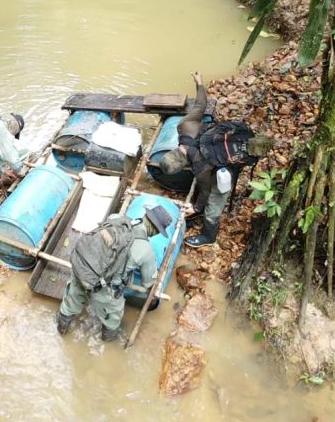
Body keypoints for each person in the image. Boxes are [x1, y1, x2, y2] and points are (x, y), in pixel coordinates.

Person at [158, 72, 273, 248]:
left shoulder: (201, 169)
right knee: (210, 183)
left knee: (214, 200)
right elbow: (201, 104)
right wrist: (199, 83)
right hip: (229, 144)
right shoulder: (185, 126)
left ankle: (208, 236)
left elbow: (205, 192)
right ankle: (200, 215)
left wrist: (196, 208)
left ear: (182, 166)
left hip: (226, 169)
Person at [56, 206, 172, 342]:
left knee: (70, 304)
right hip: (104, 288)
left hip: (81, 268)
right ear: (156, 230)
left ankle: (61, 330)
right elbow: (148, 282)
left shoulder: (115, 218)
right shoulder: (146, 251)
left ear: (146, 215)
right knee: (112, 320)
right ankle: (107, 346)